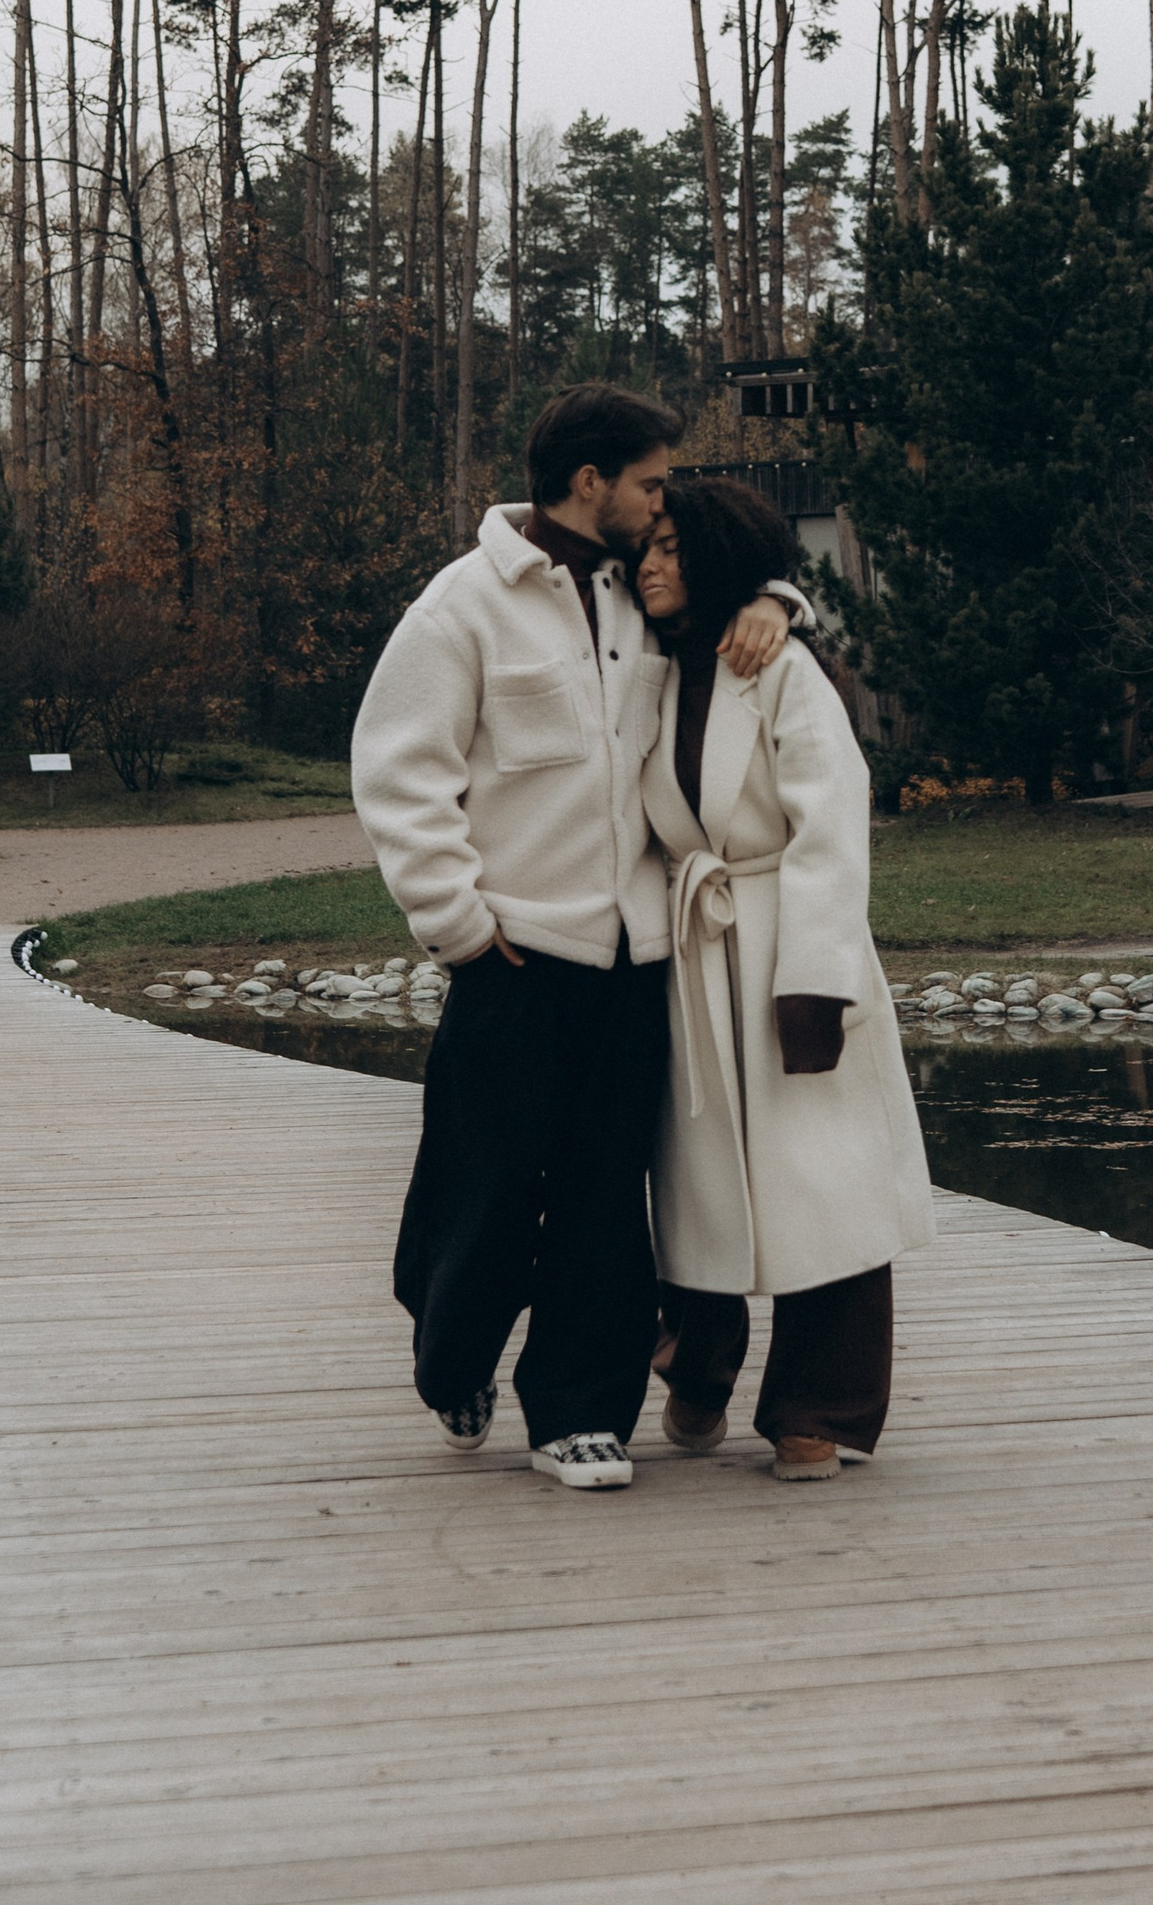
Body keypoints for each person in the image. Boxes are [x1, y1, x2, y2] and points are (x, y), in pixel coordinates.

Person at [351, 386, 803, 1492]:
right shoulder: (461, 607)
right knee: (483, 1190)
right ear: (589, 480)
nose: (662, 502)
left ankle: (579, 1412)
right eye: (650, 481)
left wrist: (778, 598)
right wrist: (459, 926)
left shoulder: (646, 593)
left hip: (633, 963)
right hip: (509, 957)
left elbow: (741, 578)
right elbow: (400, 775)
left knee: (607, 1198)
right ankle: (454, 1358)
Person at [637, 474, 935, 1482]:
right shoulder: (648, 664)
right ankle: (698, 1365)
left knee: (823, 1178)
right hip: (691, 949)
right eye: (646, 547)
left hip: (781, 939)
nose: (650, 564)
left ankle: (819, 1405)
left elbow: (831, 824)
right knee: (695, 1182)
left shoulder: (782, 670)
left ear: (716, 556)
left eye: (672, 548)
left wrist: (812, 981)